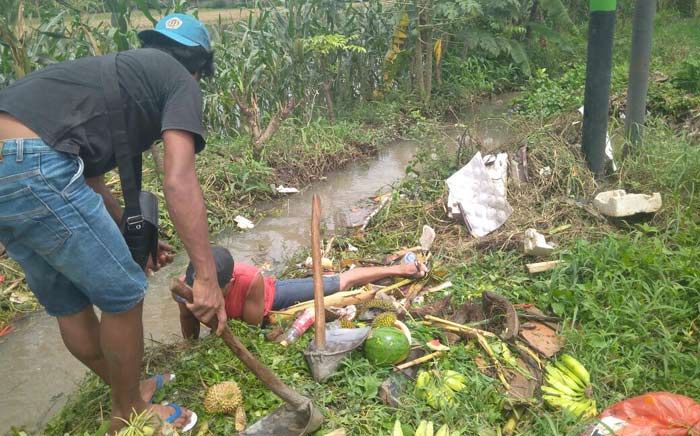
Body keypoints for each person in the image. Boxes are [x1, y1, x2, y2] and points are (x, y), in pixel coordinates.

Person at [0, 14, 228, 433]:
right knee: (124, 293)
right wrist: (208, 277)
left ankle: (130, 389)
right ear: (198, 69)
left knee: (69, 301)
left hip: (15, 167)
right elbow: (179, 180)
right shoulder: (180, 81)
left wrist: (127, 226)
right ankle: (129, 414)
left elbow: (88, 180)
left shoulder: (116, 75)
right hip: (35, 166)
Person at [174, 246, 428, 338]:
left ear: (229, 282)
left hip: (271, 297)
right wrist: (191, 347)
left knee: (341, 282)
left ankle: (403, 268)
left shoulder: (250, 279)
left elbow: (251, 327)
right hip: (238, 313)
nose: (204, 294)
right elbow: (187, 319)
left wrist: (213, 317)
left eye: (215, 290)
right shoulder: (185, 286)